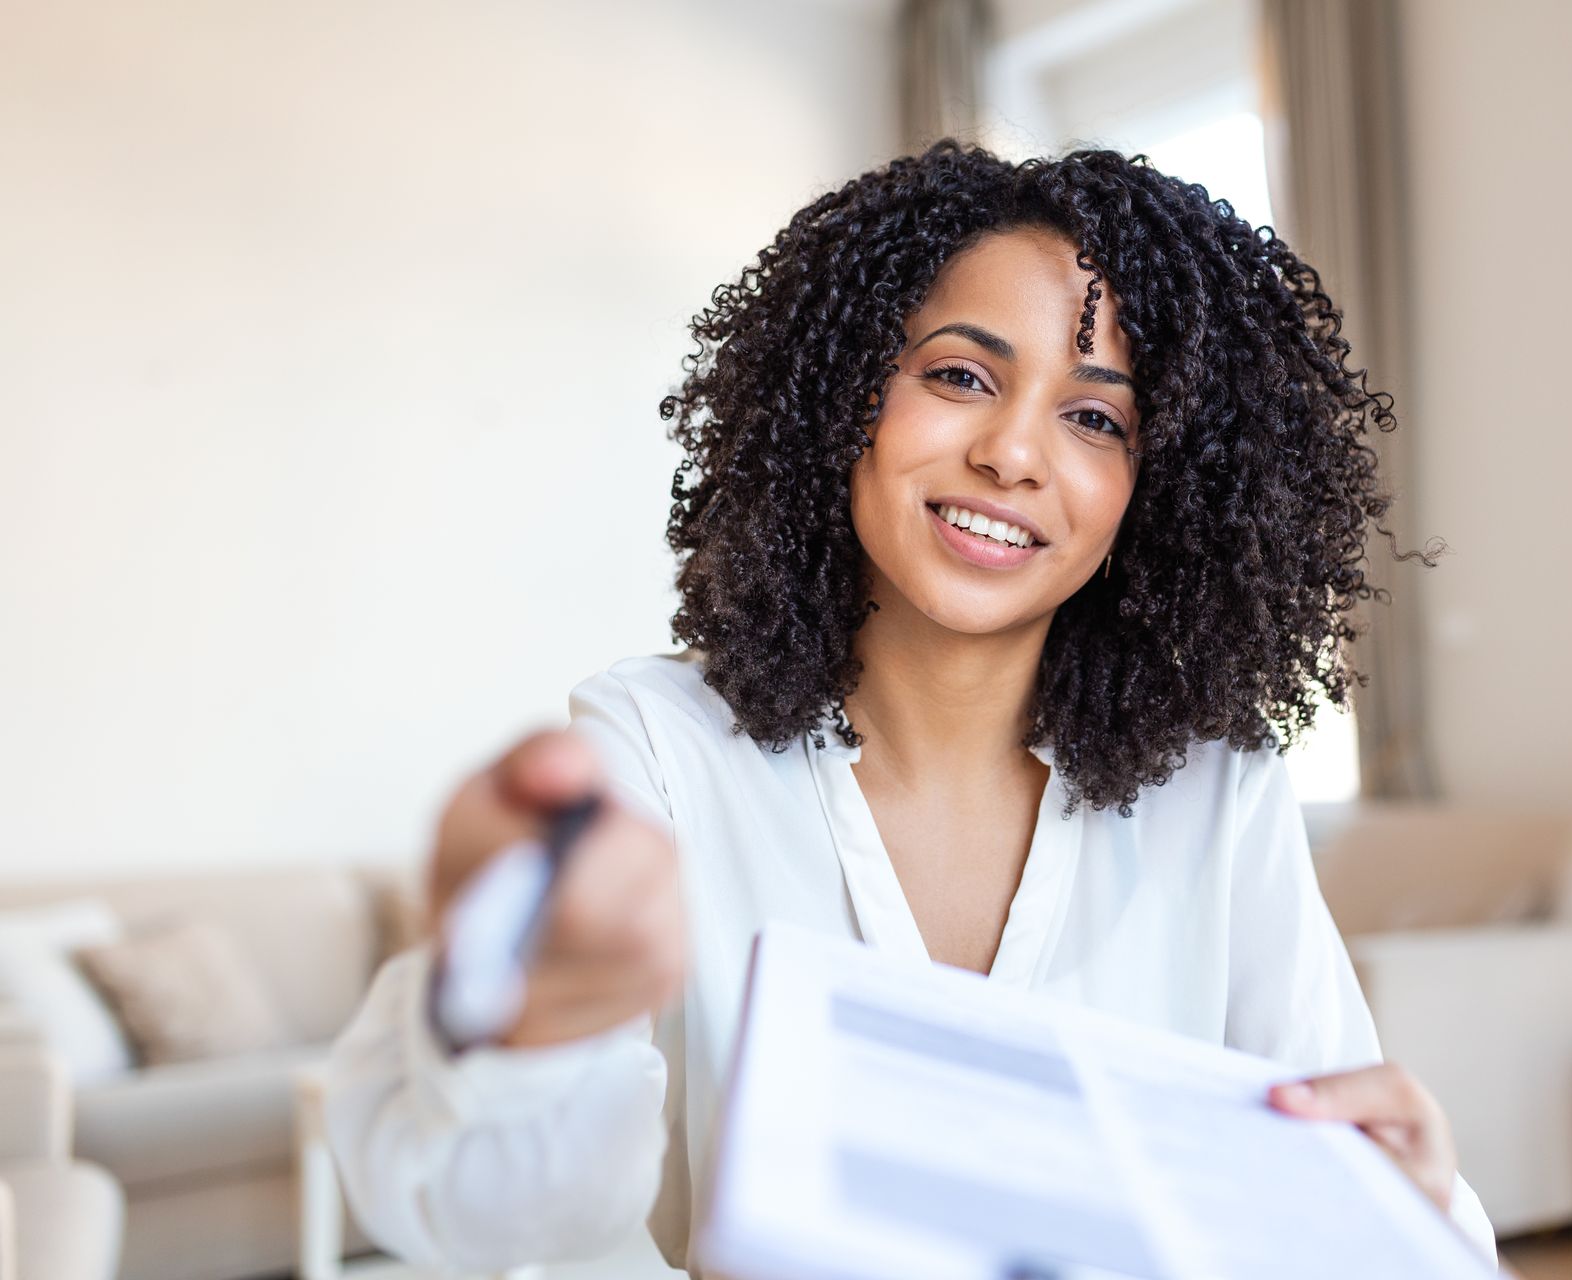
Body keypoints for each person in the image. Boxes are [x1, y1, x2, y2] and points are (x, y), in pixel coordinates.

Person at [325, 140, 1496, 1274]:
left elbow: (1343, 1205)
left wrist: (1408, 1208)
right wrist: (531, 1030)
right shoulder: (662, 747)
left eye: (1096, 418)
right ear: (843, 399)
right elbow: (512, 1222)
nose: (1013, 454)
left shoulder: (1216, 791)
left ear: (1161, 490)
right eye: (960, 375)